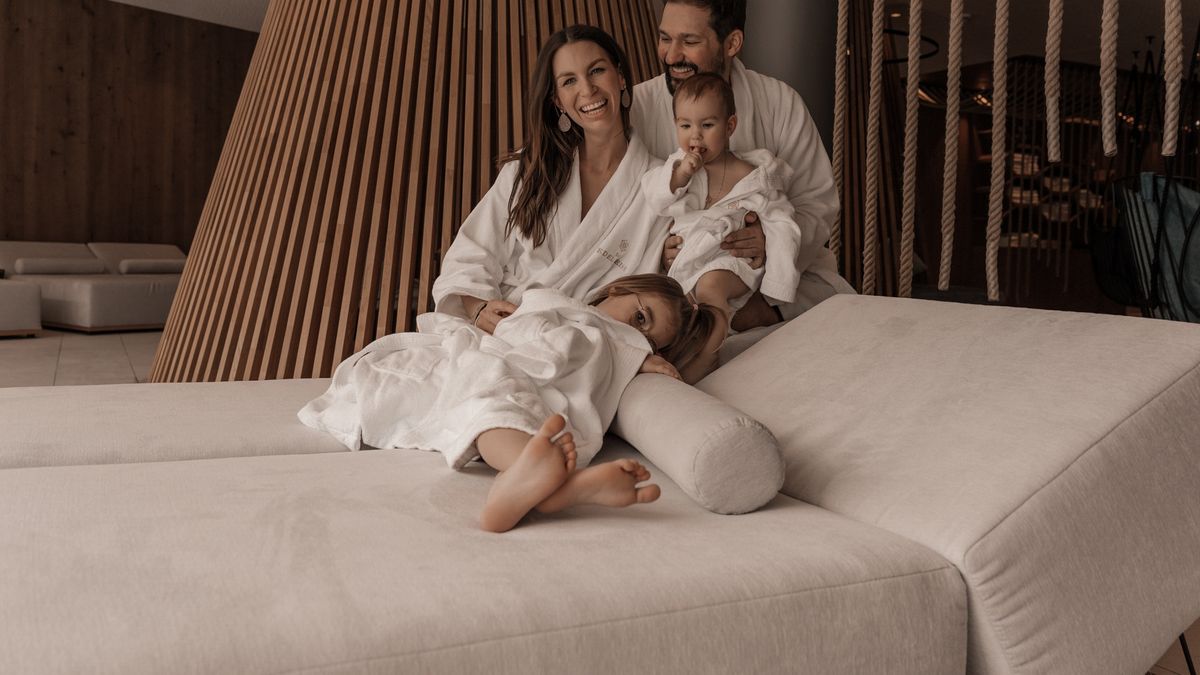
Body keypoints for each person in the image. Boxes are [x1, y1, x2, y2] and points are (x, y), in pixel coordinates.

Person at [300, 274, 719, 533]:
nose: (633, 333)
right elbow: (519, 331)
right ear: (617, 290)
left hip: (549, 402)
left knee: (530, 419)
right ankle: (546, 482)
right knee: (495, 393)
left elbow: (629, 377)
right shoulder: (558, 304)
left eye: (648, 338)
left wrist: (639, 356)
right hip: (508, 365)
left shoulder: (623, 353)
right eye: (639, 317)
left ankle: (532, 481)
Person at [631, 0, 855, 331]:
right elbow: (627, 210)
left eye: (689, 41)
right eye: (665, 38)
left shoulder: (780, 102)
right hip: (678, 275)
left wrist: (771, 241)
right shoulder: (639, 107)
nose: (671, 55)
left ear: (732, 43)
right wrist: (658, 248)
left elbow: (816, 203)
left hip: (771, 277)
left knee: (810, 305)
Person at [431, 25, 670, 335]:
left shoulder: (662, 185)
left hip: (588, 341)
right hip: (503, 328)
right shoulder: (531, 168)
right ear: (558, 100)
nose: (587, 90)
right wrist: (478, 309)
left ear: (620, 77)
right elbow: (471, 252)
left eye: (596, 71)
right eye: (569, 81)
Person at [642, 73, 803, 380]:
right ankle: (682, 351)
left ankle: (706, 360)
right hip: (690, 260)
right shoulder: (679, 169)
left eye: (707, 125)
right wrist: (679, 176)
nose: (695, 136)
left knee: (710, 288)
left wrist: (778, 282)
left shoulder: (754, 177)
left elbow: (782, 223)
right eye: (685, 126)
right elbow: (655, 198)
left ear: (730, 126)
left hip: (732, 262)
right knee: (677, 307)